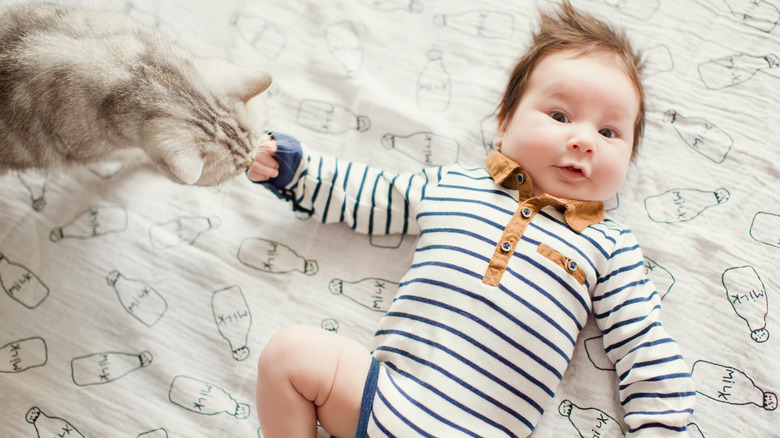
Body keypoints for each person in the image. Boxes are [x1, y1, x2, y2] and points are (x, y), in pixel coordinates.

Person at [248, 1, 696, 436]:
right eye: (560, 115)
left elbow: (643, 344)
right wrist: (293, 171)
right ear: (504, 122)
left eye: (609, 132)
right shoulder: (455, 186)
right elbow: (368, 195)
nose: (583, 140)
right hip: (390, 402)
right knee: (289, 355)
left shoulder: (608, 245)